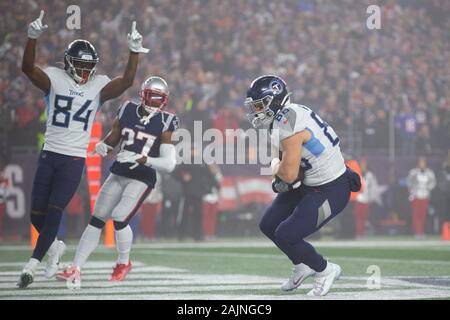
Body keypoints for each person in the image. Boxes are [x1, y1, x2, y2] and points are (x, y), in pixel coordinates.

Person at [17, 10, 149, 288]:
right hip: (49, 154)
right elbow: (28, 69)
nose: (86, 71)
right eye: (80, 65)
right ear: (68, 64)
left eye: (89, 66)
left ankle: (33, 264)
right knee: (36, 215)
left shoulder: (98, 86)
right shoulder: (54, 78)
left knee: (54, 211)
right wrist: (31, 38)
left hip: (73, 159)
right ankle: (54, 248)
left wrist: (134, 52)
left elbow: (125, 82)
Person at [244, 75, 361, 296]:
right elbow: (291, 173)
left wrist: (274, 166)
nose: (256, 111)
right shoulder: (285, 116)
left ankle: (325, 269)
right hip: (310, 182)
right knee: (268, 224)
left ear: (274, 100)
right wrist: (280, 170)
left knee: (287, 234)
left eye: (259, 105)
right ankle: (302, 265)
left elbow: (288, 174)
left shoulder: (287, 121)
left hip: (332, 187)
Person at [56, 77, 178, 284]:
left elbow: (169, 164)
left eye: (160, 98)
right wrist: (104, 146)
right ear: (144, 95)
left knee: (120, 217)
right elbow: (114, 138)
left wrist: (143, 159)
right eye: (152, 97)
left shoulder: (166, 121)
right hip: (119, 172)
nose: (155, 102)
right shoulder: (127, 109)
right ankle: (76, 267)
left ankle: (123, 262)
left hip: (141, 177)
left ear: (164, 100)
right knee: (97, 218)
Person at [406, 156, 436, 238]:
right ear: (418, 163)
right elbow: (408, 182)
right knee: (416, 214)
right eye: (420, 162)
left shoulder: (429, 173)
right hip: (416, 195)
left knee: (423, 215)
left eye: (423, 162)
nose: (422, 164)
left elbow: (433, 182)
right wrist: (412, 190)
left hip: (425, 195)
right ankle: (417, 232)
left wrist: (428, 188)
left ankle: (421, 231)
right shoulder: (413, 172)